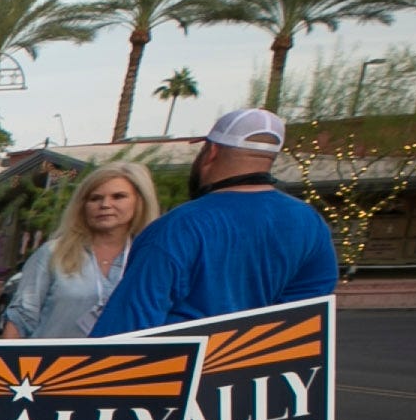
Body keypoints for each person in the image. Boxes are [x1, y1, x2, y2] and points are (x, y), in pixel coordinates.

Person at [87, 109, 338, 334]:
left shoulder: (177, 228)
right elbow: (306, 314)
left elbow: (126, 328)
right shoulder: (310, 223)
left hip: (178, 377)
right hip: (255, 377)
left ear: (211, 152)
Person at [0, 160, 160, 344]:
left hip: (121, 368)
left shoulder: (152, 258)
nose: (105, 204)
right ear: (82, 205)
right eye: (95, 198)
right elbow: (21, 318)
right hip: (50, 367)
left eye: (118, 196)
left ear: (139, 201)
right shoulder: (53, 253)